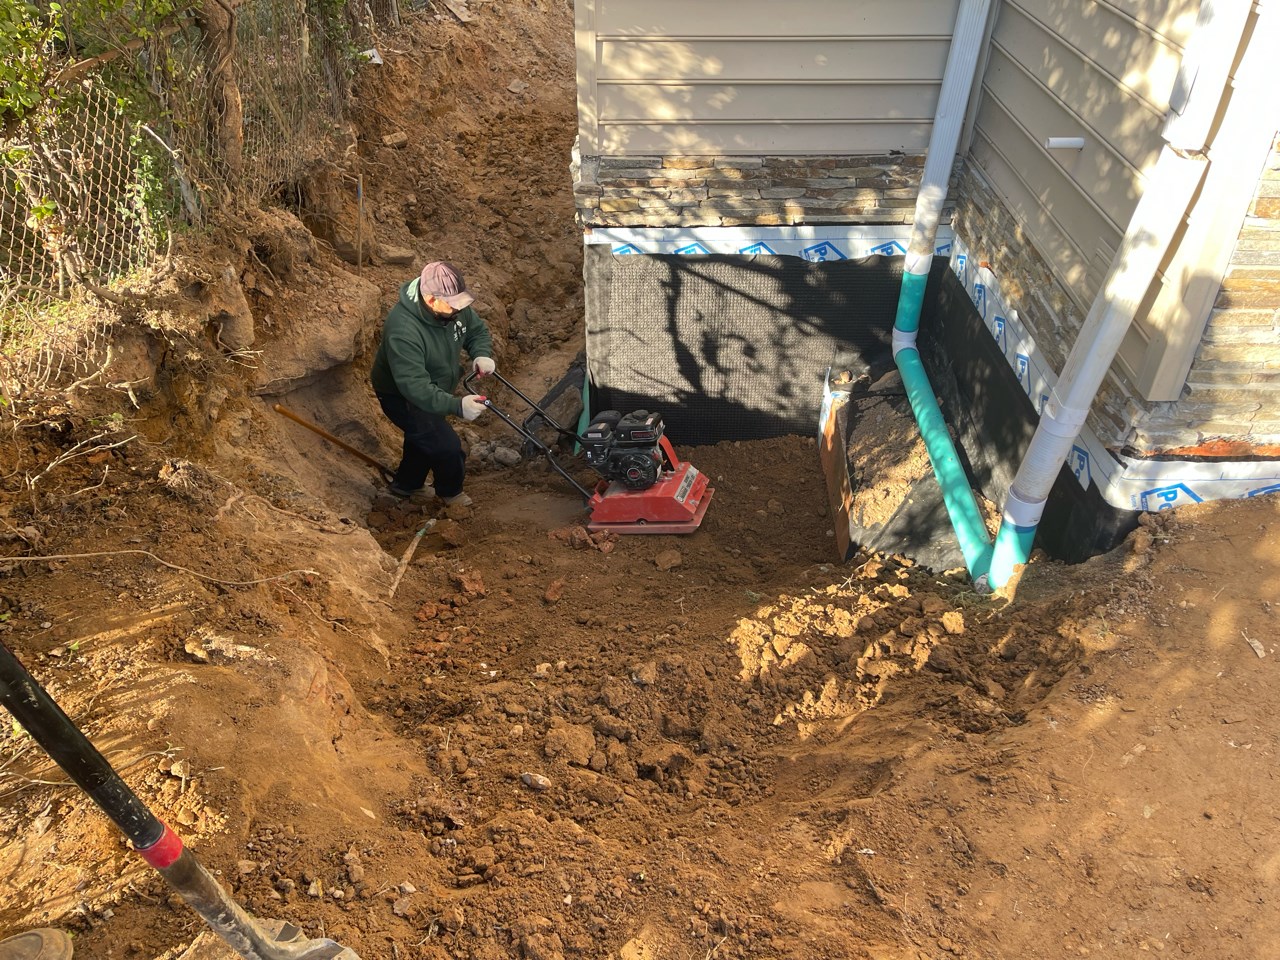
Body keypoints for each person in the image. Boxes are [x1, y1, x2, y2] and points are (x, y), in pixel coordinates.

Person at [370, 261, 495, 506]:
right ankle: (451, 492)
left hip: (434, 386)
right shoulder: (403, 330)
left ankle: (407, 486)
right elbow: (415, 387)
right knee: (446, 446)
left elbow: (476, 331)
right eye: (452, 304)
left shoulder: (453, 309)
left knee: (423, 436)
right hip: (402, 394)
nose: (458, 308)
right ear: (430, 300)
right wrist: (457, 405)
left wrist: (481, 354)